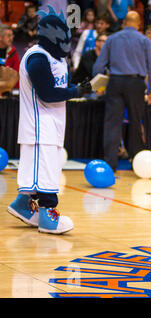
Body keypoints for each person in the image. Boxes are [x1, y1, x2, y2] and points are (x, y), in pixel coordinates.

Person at [7, 5, 92, 235]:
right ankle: (48, 215)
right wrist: (76, 92)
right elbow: (47, 93)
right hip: (38, 126)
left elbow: (61, 88)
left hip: (52, 124)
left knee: (42, 171)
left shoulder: (58, 59)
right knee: (44, 174)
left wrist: (77, 87)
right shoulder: (37, 57)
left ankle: (22, 206)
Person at [93, 11, 151, 172]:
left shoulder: (112, 39)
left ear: (124, 23)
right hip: (136, 83)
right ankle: (137, 163)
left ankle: (110, 164)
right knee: (136, 123)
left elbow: (98, 66)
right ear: (138, 24)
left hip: (115, 82)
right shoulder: (144, 41)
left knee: (112, 124)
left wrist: (99, 86)